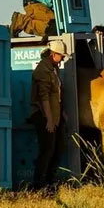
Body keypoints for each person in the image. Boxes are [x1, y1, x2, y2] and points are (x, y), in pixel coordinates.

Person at [30, 39, 68, 191]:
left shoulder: (53, 69)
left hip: (54, 114)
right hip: (43, 115)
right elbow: (43, 97)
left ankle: (50, 181)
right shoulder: (42, 70)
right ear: (54, 54)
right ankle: (39, 184)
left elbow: (56, 95)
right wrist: (50, 120)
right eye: (61, 56)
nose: (63, 58)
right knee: (47, 149)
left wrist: (61, 112)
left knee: (58, 148)